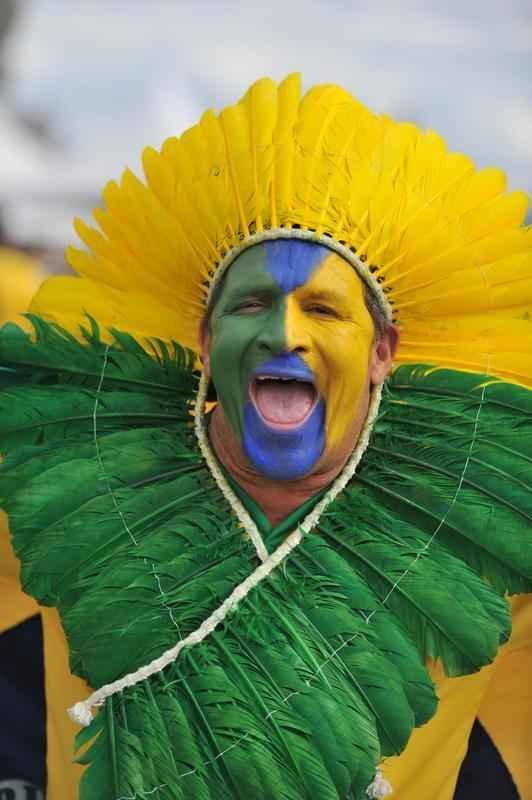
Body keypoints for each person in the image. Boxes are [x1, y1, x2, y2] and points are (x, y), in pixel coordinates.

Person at [0, 74, 530, 800]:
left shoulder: (487, 522)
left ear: (384, 352)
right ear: (204, 335)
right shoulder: (67, 484)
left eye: (324, 310)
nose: (284, 334)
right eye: (252, 304)